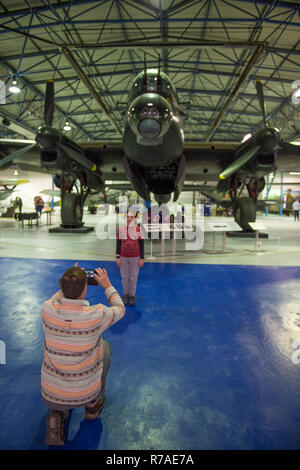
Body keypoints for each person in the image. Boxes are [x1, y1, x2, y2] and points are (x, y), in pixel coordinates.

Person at [41, 263, 125, 446]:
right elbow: (120, 308)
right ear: (85, 288)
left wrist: (69, 280)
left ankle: (58, 411)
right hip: (85, 392)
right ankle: (92, 405)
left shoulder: (47, 309)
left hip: (51, 393)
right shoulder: (96, 314)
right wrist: (107, 286)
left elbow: (57, 296)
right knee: (105, 347)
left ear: (62, 287)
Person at [116, 210, 144, 306]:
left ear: (135, 218)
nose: (129, 219)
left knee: (133, 277)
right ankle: (125, 294)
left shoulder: (138, 229)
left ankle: (132, 296)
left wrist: (142, 258)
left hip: (135, 257)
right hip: (123, 257)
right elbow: (118, 243)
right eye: (127, 216)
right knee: (124, 277)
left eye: (131, 217)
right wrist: (118, 257)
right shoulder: (121, 229)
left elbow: (141, 243)